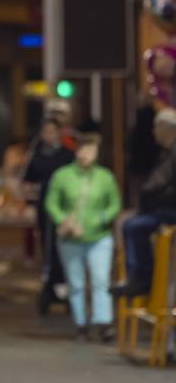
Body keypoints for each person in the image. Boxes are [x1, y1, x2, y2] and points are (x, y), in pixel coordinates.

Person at [45, 133, 121, 341]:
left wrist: (100, 219)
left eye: (91, 150)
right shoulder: (63, 176)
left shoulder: (105, 177)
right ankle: (81, 323)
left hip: (99, 237)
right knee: (76, 282)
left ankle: (104, 322)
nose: (86, 154)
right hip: (71, 238)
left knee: (100, 280)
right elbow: (51, 202)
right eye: (83, 149)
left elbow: (114, 203)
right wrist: (63, 220)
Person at [113, 108, 176, 298]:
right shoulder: (166, 152)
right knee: (130, 223)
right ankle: (139, 276)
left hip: (169, 210)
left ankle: (141, 277)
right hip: (164, 207)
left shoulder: (173, 152)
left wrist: (144, 199)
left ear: (167, 129)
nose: (154, 133)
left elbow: (156, 183)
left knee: (133, 226)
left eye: (157, 128)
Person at [24, 119, 76, 315]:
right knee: (48, 246)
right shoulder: (37, 156)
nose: (48, 135)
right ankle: (51, 282)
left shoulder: (67, 155)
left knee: (65, 246)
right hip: (45, 209)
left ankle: (65, 284)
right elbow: (28, 181)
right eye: (45, 131)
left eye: (52, 131)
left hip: (66, 207)